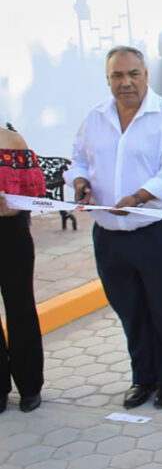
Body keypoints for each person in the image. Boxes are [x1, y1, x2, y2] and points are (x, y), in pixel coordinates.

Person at [65, 46, 162, 409]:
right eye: (117, 76)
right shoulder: (94, 118)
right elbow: (77, 160)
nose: (126, 83)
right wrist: (79, 184)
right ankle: (144, 378)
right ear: (108, 80)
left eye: (133, 74)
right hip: (109, 233)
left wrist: (138, 198)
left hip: (159, 230)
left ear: (146, 75)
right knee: (129, 308)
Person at [0, 123, 46, 414]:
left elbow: (32, 191)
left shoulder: (11, 140)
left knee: (20, 308)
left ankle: (30, 386)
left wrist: (13, 206)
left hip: (9, 236)